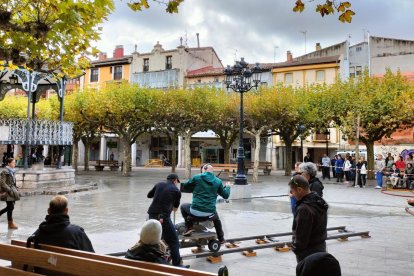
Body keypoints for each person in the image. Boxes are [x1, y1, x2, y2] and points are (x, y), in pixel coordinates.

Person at [180, 163, 231, 244]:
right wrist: (228, 187)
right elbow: (226, 195)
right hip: (210, 213)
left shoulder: (197, 177)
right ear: (212, 171)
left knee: (183, 206)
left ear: (204, 169)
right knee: (217, 220)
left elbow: (185, 186)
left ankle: (189, 227)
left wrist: (195, 187)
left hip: (195, 211)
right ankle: (221, 239)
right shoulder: (218, 181)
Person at [147, 173, 186, 267]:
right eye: (177, 182)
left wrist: (158, 195)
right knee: (174, 241)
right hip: (163, 217)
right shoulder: (177, 191)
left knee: (156, 238)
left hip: (151, 214)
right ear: (175, 180)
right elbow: (175, 208)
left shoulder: (159, 184)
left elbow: (149, 195)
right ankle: (177, 265)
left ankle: (155, 259)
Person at [29, 195, 94, 252]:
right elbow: (91, 256)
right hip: (69, 265)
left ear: (49, 211)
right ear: (66, 211)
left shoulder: (39, 232)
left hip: (42, 265)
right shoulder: (77, 232)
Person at [289, 175, 328, 263]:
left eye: (292, 191)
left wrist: (295, 248)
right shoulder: (319, 201)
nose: (292, 194)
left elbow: (301, 238)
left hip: (307, 254)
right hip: (320, 249)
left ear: (299, 190)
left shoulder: (304, 209)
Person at [0, 158, 20, 229]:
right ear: (8, 163)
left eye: (15, 162)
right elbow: (2, 183)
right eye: (13, 162)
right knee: (10, 207)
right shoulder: (5, 171)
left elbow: (13, 181)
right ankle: (10, 223)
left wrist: (15, 188)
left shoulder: (12, 171)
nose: (14, 164)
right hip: (8, 192)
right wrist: (9, 190)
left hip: (12, 191)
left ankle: (10, 223)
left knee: (10, 207)